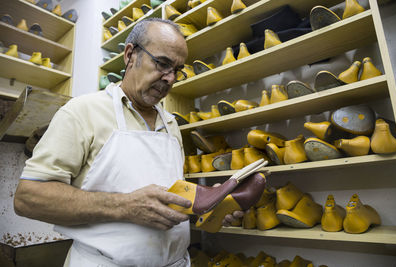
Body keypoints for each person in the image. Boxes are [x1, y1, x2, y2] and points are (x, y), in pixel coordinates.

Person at [14, 18, 243, 266]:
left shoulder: (171, 125)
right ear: (130, 54)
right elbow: (28, 198)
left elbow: (166, 205)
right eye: (162, 63)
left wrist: (202, 210)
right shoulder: (82, 112)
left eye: (177, 70)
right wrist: (125, 206)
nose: (170, 79)